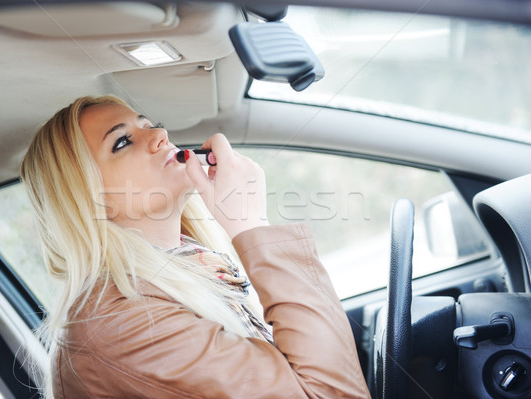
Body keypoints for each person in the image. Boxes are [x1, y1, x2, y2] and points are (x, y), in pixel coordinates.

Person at [20, 95, 371, 399]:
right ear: (85, 199)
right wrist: (250, 225)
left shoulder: (190, 268)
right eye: (123, 142)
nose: (160, 135)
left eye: (149, 125)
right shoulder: (118, 320)